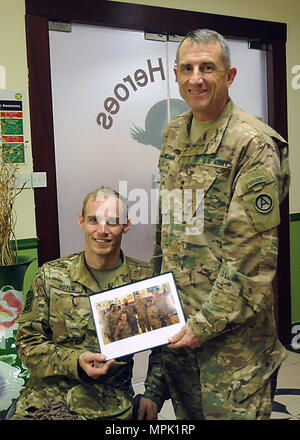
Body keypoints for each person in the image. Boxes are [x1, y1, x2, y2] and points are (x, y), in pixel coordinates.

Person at [139, 29, 290, 420]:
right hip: (180, 342)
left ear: (230, 75)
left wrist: (200, 327)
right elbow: (167, 238)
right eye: (187, 68)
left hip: (232, 356)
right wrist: (157, 321)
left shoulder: (253, 144)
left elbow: (251, 263)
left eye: (208, 67)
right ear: (176, 75)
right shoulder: (173, 135)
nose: (196, 78)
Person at [11, 186, 153, 420]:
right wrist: (74, 361)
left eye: (112, 222)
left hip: (110, 405)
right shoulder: (51, 276)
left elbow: (165, 348)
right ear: (81, 222)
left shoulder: (144, 280)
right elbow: (27, 343)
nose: (102, 230)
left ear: (125, 226)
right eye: (94, 220)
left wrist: (153, 394)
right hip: (47, 401)